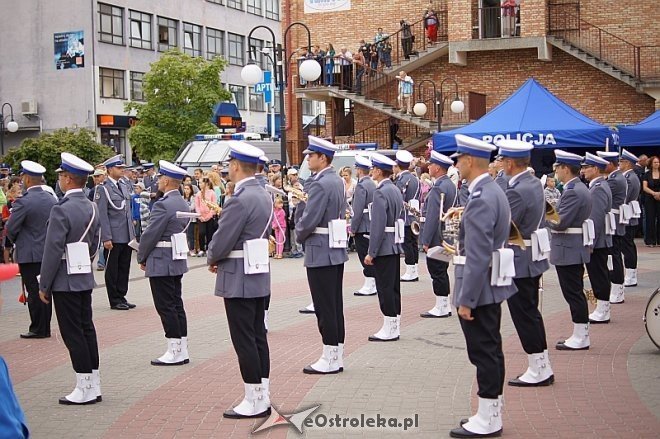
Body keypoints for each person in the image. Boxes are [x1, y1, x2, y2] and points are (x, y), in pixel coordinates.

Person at [449, 135, 516, 438]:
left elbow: (476, 256)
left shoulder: (481, 198)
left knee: (483, 352)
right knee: (491, 349)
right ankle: (492, 410)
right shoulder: (494, 190)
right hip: (491, 283)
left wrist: (467, 300)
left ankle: (489, 418)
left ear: (470, 161)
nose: (456, 163)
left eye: (459, 158)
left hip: (480, 286)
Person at [207, 142, 272, 419]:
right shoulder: (264, 195)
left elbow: (222, 239)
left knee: (244, 338)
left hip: (238, 275)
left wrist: (212, 257)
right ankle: (262, 394)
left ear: (235, 166)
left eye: (230, 164)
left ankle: (253, 398)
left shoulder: (239, 199)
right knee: (257, 336)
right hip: (256, 272)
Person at [39, 153, 101, 405]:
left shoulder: (61, 209)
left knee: (72, 331)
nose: (60, 180)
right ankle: (94, 383)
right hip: (83, 274)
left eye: (61, 176)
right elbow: (96, 242)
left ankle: (83, 386)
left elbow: (52, 250)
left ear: (67, 179)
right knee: (86, 328)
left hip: (65, 278)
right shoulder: (92, 206)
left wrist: (44, 284)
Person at [495, 140, 554, 387]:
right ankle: (541, 364)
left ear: (510, 163)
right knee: (531, 313)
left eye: (501, 160)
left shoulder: (516, 189)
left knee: (524, 315)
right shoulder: (532, 183)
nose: (499, 164)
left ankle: (537, 368)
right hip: (530, 256)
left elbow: (506, 225)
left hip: (520, 258)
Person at [295, 136, 348, 374]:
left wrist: (298, 234)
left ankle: (329, 356)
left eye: (310, 156)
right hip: (334, 248)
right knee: (334, 305)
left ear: (322, 158)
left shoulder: (319, 183)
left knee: (324, 306)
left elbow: (310, 219)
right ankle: (336, 354)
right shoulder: (335, 180)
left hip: (320, 247)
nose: (307, 159)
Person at [137, 161, 191, 366]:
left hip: (161, 259)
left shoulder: (162, 204)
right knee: (176, 304)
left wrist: (142, 256)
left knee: (165, 306)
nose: (158, 181)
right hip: (175, 258)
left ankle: (174, 349)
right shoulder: (181, 202)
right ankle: (182, 348)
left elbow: (151, 234)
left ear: (167, 180)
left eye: (160, 178)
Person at [6, 161, 57, 339]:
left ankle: (38, 328)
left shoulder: (24, 202)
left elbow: (10, 229)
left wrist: (17, 242)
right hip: (48, 252)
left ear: (27, 179)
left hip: (30, 254)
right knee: (45, 290)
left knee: (33, 291)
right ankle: (45, 326)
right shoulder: (52, 199)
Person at [549, 150, 592, 350]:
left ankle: (581, 335)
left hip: (569, 247)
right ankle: (580, 333)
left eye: (558, 167)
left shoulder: (573, 190)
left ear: (565, 168)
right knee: (574, 292)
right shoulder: (576, 188)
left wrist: (544, 213)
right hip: (572, 247)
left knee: (573, 292)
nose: (556, 171)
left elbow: (560, 223)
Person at [365, 153, 404, 341]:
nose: (371, 171)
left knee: (385, 287)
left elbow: (378, 224)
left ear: (379, 171)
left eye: (373, 169)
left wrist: (371, 252)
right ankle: (394, 323)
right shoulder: (394, 189)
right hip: (394, 243)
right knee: (394, 286)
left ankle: (389, 326)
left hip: (384, 246)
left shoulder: (380, 192)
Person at [96, 154, 136, 311]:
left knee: (124, 266)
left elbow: (128, 212)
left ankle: (122, 295)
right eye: (119, 168)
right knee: (112, 269)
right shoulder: (103, 189)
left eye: (122, 168)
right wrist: (106, 237)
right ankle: (114, 299)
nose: (122, 170)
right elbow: (102, 215)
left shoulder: (123, 186)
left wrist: (132, 235)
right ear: (110, 169)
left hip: (125, 234)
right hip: (113, 236)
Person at [419, 152, 456, 318]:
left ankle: (441, 306)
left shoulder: (438, 187)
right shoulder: (450, 185)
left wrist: (425, 240)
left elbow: (432, 216)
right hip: (447, 233)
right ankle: (444, 304)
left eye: (431, 164)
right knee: (442, 269)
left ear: (438, 167)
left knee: (437, 271)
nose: (428, 167)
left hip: (437, 236)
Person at [581, 153, 613, 324]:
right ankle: (603, 308)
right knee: (599, 273)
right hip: (599, 239)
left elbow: (596, 218)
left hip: (597, 240)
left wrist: (590, 243)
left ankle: (602, 309)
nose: (583, 171)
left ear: (595, 169)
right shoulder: (599, 185)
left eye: (586, 167)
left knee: (598, 274)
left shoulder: (598, 188)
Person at [597, 151, 627, 304]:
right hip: (614, 219)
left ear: (609, 164)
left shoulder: (614, 180)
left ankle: (617, 289)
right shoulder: (616, 177)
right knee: (614, 254)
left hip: (613, 220)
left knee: (614, 254)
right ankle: (617, 288)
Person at [351, 155, 377, 296]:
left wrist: (353, 228)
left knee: (364, 255)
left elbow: (358, 209)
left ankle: (370, 284)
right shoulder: (372, 184)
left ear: (360, 170)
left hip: (363, 225)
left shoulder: (361, 185)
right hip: (370, 223)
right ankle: (373, 283)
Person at [394, 150, 421, 282]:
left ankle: (410, 270)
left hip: (404, 216)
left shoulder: (402, 179)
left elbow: (399, 198)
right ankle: (414, 268)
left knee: (407, 244)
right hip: (413, 215)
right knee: (413, 243)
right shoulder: (415, 178)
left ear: (398, 165)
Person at [619, 149, 641, 287]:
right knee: (628, 245)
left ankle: (631, 275)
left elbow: (624, 198)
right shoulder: (630, 177)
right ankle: (631, 273)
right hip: (628, 214)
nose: (619, 164)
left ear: (627, 163)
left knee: (627, 246)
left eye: (621, 162)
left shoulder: (629, 179)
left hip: (627, 215)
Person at [194, 177, 218, 257]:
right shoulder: (198, 194)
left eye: (201, 183)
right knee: (201, 232)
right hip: (201, 216)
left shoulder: (212, 193)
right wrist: (199, 215)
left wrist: (209, 216)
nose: (200, 184)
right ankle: (201, 249)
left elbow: (214, 205)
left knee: (209, 233)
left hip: (210, 217)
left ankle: (208, 248)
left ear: (206, 184)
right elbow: (197, 206)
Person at [642, 156, 660, 246]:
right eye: (655, 162)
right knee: (650, 219)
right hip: (650, 199)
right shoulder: (647, 174)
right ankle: (650, 240)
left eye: (658, 162)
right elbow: (644, 187)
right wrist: (654, 193)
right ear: (651, 164)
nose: (657, 164)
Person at [182, 184, 198, 256]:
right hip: (183, 218)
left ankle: (192, 249)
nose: (186, 190)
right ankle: (184, 249)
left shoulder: (193, 198)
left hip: (191, 219)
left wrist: (185, 208)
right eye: (185, 188)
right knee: (184, 234)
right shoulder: (182, 198)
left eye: (188, 189)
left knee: (190, 235)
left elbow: (192, 207)